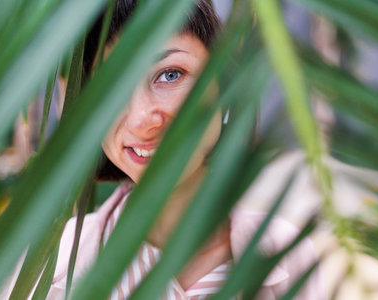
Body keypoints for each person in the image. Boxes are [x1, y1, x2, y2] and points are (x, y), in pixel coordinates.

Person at [28, 1, 325, 299]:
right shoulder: (47, 268)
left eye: (170, 75)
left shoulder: (292, 256)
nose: (141, 119)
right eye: (109, 90)